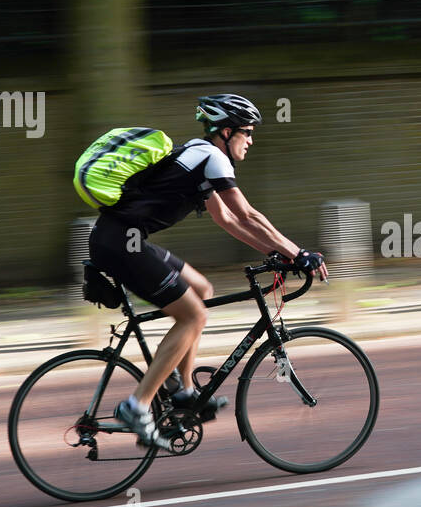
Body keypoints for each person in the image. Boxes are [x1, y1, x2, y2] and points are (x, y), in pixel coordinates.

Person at [87, 93, 327, 450]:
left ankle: (183, 391)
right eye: (246, 132)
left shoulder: (196, 156)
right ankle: (136, 406)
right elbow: (248, 215)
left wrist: (277, 255)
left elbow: (227, 220)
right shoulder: (211, 157)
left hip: (123, 239)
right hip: (123, 244)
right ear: (226, 132)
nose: (251, 139)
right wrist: (298, 253)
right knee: (192, 317)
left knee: (200, 289)